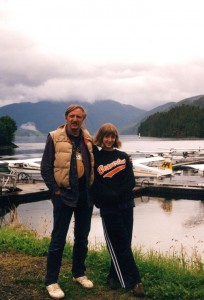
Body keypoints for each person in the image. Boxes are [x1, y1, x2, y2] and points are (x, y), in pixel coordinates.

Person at [41, 104, 94, 299]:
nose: (75, 120)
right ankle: (51, 281)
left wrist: (125, 160)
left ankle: (78, 273)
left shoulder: (88, 139)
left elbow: (98, 160)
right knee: (58, 240)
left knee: (82, 238)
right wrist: (55, 190)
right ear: (66, 118)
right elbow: (45, 167)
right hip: (64, 196)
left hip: (85, 196)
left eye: (79, 117)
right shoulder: (54, 137)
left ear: (83, 119)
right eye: (72, 116)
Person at [91, 123, 145, 298]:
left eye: (112, 136)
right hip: (108, 208)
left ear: (116, 138)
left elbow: (130, 182)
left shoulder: (123, 157)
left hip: (126, 205)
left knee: (124, 242)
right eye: (106, 136)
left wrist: (117, 195)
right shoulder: (95, 159)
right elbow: (96, 185)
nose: (109, 140)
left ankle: (113, 276)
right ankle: (135, 281)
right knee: (117, 243)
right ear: (101, 138)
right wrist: (111, 196)